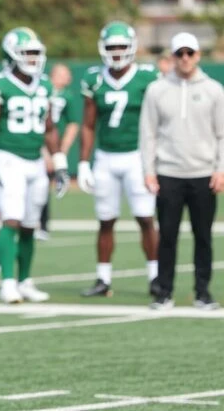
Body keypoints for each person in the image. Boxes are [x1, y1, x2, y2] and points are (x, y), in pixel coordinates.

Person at [0, 27, 69, 304]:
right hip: (9, 159)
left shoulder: (44, 85)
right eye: (26, 52)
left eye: (35, 52)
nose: (32, 58)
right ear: (11, 54)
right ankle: (7, 283)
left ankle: (25, 281)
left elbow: (49, 128)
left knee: (30, 225)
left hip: (36, 162)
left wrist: (60, 163)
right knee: (11, 220)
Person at [140, 32, 224, 310]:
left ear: (198, 55)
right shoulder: (157, 90)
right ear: (173, 57)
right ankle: (164, 292)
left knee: (203, 237)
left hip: (203, 174)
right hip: (168, 173)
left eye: (190, 53)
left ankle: (202, 292)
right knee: (167, 236)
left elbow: (222, 134)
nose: (185, 58)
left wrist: (220, 169)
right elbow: (148, 133)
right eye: (180, 53)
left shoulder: (213, 90)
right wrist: (149, 170)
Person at [77, 21, 159, 297]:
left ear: (132, 47)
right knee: (105, 220)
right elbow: (88, 124)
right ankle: (103, 279)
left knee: (146, 218)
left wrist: (156, 158)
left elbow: (158, 121)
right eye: (112, 47)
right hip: (105, 157)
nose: (117, 52)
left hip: (137, 157)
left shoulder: (147, 77)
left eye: (122, 46)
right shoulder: (95, 79)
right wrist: (83, 162)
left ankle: (155, 277)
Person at [35, 63, 80, 241]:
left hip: (53, 144)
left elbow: (73, 123)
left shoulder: (67, 96)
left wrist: (60, 152)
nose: (68, 77)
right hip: (34, 143)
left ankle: (43, 224)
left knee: (43, 186)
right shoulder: (39, 89)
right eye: (64, 73)